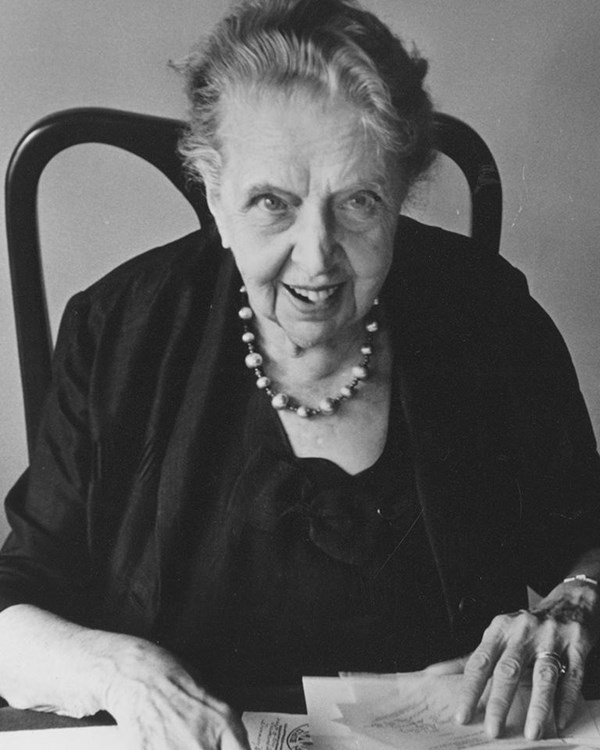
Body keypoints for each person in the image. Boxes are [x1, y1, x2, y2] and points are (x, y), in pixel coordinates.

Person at [0, 0, 599, 747]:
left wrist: (578, 602)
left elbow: (589, 535)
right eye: (272, 204)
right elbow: (13, 610)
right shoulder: (119, 329)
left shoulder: (487, 314)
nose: (317, 256)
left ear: (400, 194)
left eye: (357, 202)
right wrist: (123, 675)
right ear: (215, 196)